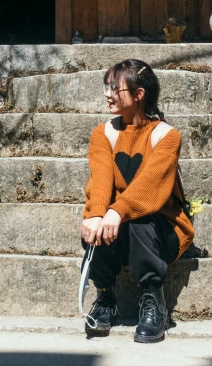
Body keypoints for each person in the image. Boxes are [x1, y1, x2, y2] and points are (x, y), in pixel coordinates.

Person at [81, 58, 194, 343]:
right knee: (97, 220)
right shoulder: (103, 133)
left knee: (138, 219)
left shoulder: (167, 136)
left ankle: (153, 298)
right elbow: (102, 178)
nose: (107, 94)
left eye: (114, 89)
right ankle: (106, 297)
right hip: (116, 227)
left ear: (138, 94)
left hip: (161, 229)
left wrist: (118, 211)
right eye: (107, 88)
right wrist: (96, 213)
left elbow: (149, 189)